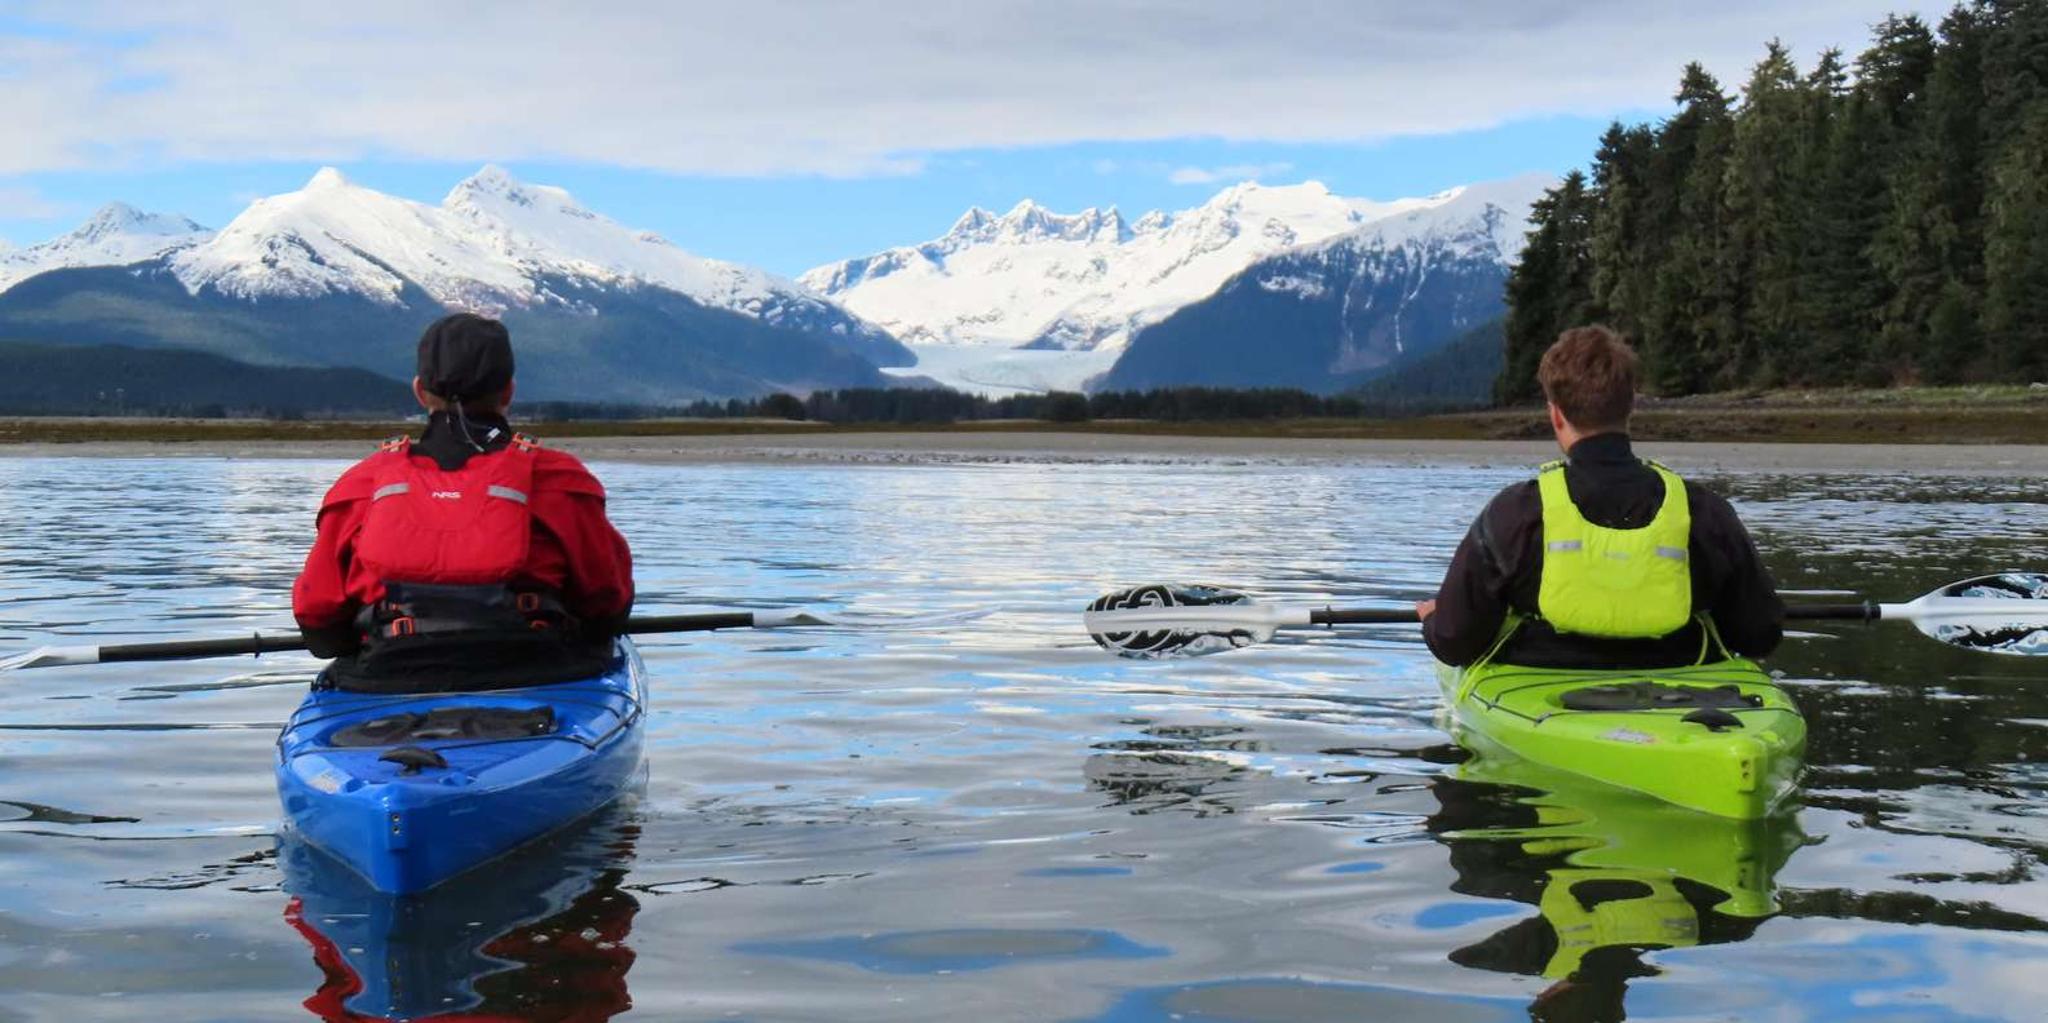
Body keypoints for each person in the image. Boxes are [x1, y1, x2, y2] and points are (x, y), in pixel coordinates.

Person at [292, 313, 634, 691]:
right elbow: (607, 610)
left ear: (420, 391)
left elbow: (320, 630)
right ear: (508, 391)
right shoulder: (563, 480)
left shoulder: (360, 485)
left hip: (388, 677)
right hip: (541, 673)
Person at [1417, 325, 1781, 669]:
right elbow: (1758, 635)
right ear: (1631, 406)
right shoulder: (1704, 511)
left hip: (1539, 681)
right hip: (1683, 683)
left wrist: (1434, 619)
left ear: (1556, 415)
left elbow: (1454, 643)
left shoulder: (1514, 514)